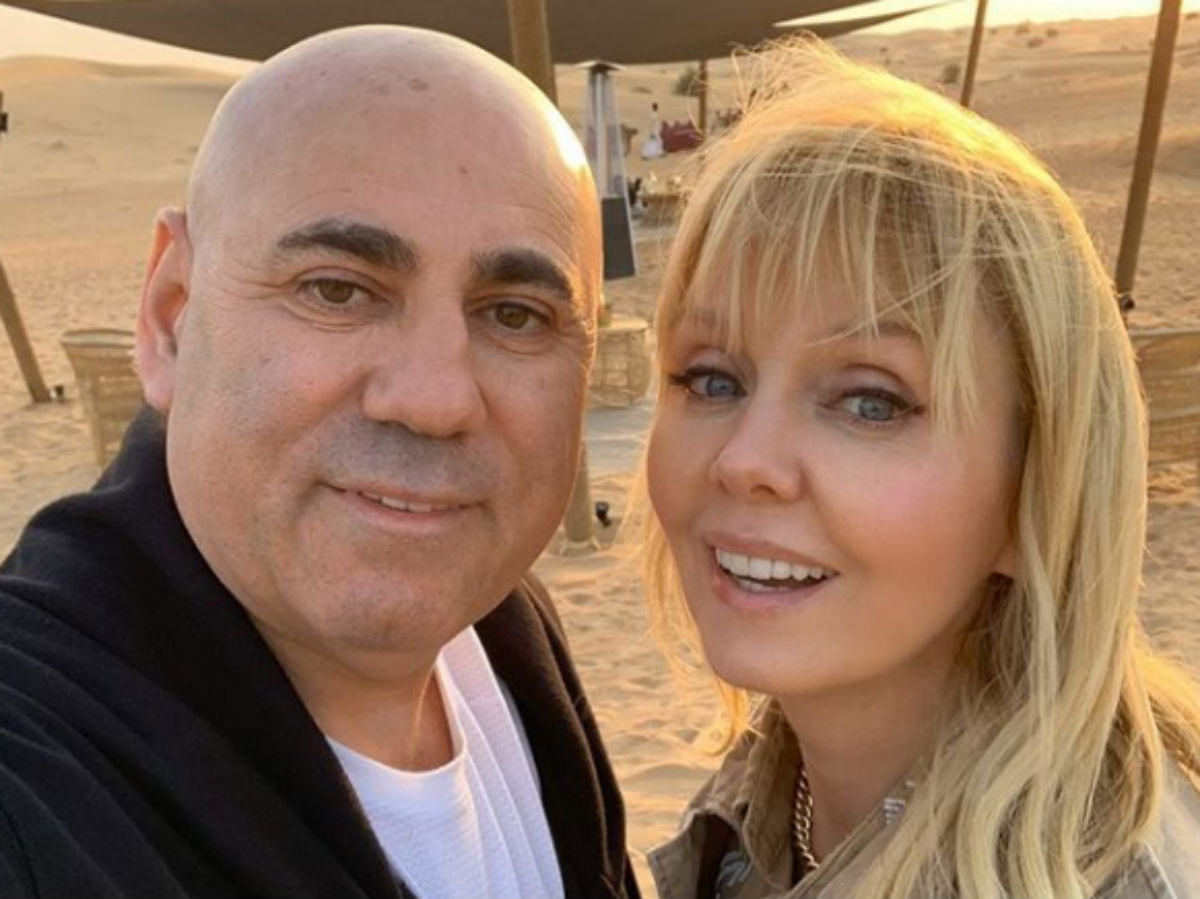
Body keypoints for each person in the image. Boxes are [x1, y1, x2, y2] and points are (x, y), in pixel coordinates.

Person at [0, 26, 639, 899]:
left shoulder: (508, 638)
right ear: (171, 317)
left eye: (515, 314)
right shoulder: (34, 779)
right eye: (337, 289)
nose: (435, 398)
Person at [639, 39, 1200, 899]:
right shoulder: (771, 796)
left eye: (871, 402)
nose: (745, 459)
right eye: (713, 379)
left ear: (1035, 487)